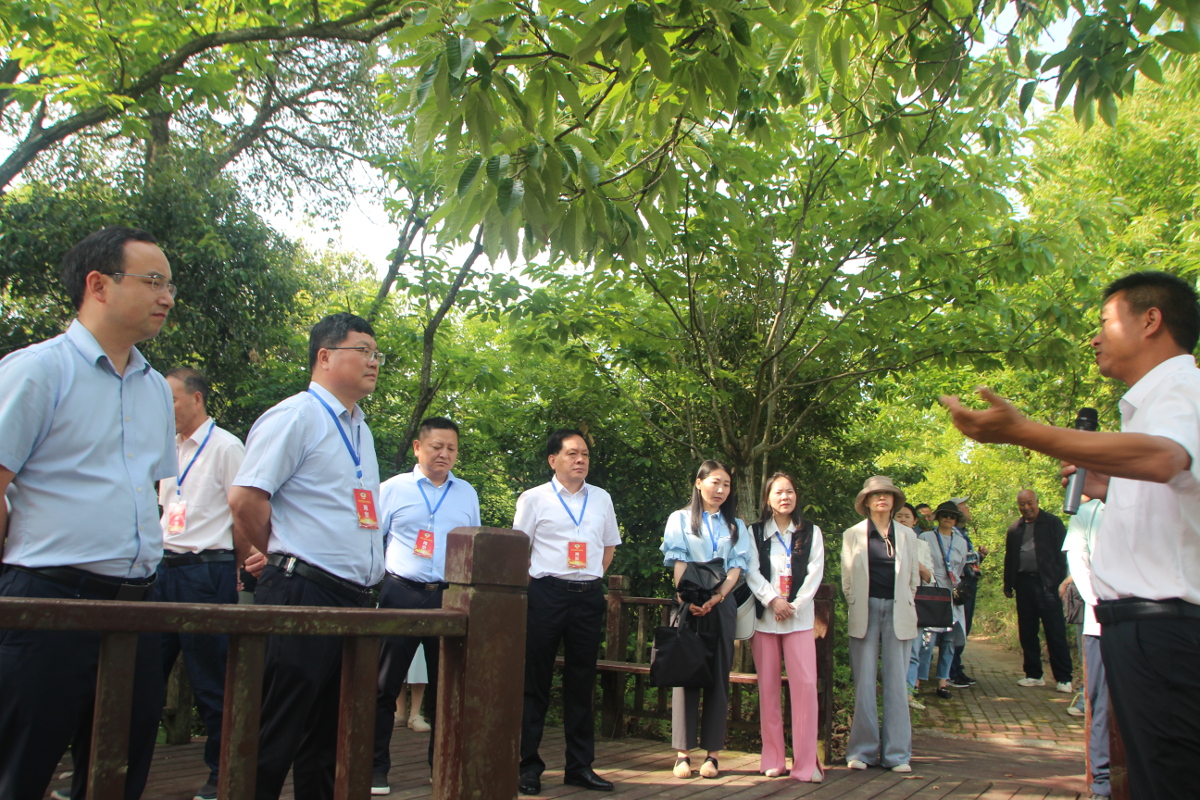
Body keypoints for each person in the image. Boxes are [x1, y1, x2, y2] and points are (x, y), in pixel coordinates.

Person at [942, 270, 1200, 800]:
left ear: (1151, 320)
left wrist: (1025, 431)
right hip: (1139, 626)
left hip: (1165, 626)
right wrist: (1108, 484)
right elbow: (1171, 482)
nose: (1094, 337)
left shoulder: (1181, 388)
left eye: (1105, 320)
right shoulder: (1150, 406)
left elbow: (1167, 456)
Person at [0, 227, 177, 800]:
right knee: (20, 774)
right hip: (47, 604)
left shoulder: (155, 388)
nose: (166, 296)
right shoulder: (37, 370)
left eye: (170, 284)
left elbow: (147, 490)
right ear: (97, 285)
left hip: (137, 608)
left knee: (118, 779)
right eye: (152, 281)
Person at [229, 312, 386, 800]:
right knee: (276, 732)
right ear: (324, 356)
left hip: (354, 600)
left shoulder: (361, 428)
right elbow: (245, 498)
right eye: (363, 350)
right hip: (304, 591)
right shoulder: (296, 415)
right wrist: (282, 551)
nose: (374, 362)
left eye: (377, 354)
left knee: (327, 741)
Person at [371, 417, 481, 796]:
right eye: (436, 446)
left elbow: (474, 547)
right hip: (400, 591)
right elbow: (371, 537)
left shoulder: (466, 493)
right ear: (418, 447)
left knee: (447, 685)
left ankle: (442, 765)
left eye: (451, 448)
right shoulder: (392, 489)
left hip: (447, 597)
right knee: (383, 685)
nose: (444, 454)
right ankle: (375, 768)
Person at [154, 367, 246, 800]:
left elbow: (242, 509)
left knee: (212, 680)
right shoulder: (165, 448)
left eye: (170, 398)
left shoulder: (227, 446)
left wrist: (244, 565)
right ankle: (110, 770)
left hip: (207, 569)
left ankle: (221, 773)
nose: (163, 408)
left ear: (197, 399)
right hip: (161, 569)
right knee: (138, 672)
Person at [514, 429, 621, 795]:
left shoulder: (602, 498)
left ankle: (580, 766)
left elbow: (608, 547)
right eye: (573, 453)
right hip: (546, 593)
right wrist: (543, 588)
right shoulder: (534, 498)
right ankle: (527, 766)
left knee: (581, 682)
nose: (581, 460)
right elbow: (518, 549)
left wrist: (589, 577)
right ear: (553, 459)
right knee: (535, 682)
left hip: (587, 597)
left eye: (586, 454)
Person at [660, 460, 751, 781]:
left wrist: (717, 598)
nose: (721, 490)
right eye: (715, 482)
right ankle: (683, 754)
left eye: (726, 484)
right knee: (685, 671)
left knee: (718, 674)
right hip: (688, 600)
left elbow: (737, 568)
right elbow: (678, 560)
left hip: (722, 604)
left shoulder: (737, 525)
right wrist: (687, 598)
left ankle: (713, 754)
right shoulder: (680, 519)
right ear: (699, 483)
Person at [744, 471, 825, 782]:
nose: (785, 497)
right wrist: (772, 600)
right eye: (778, 492)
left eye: (789, 491)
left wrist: (794, 605)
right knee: (768, 689)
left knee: (804, 688)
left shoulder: (811, 532)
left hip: (800, 621)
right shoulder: (755, 533)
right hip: (766, 620)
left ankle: (806, 764)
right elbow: (750, 569)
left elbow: (815, 573)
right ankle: (773, 758)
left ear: (796, 496)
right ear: (768, 499)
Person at [841, 475, 922, 773]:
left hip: (898, 611)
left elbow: (913, 578)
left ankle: (897, 755)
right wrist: (860, 603)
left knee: (897, 684)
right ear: (866, 501)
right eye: (875, 495)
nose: (881, 499)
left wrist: (902, 601)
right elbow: (847, 581)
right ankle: (861, 752)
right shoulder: (853, 534)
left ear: (893, 500)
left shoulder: (908, 535)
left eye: (887, 494)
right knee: (863, 682)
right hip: (865, 610)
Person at [1060, 498, 1110, 799]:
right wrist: (1103, 602)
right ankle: (1102, 784)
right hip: (1101, 624)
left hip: (1159, 622)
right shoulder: (1087, 514)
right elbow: (1078, 561)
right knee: (1101, 704)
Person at [1003, 489, 1072, 692]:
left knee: (1055, 631)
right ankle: (1033, 674)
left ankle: (1064, 677)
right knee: (1027, 631)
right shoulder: (1015, 528)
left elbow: (1063, 555)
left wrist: (1062, 581)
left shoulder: (1052, 523)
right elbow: (1010, 558)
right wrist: (1008, 584)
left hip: (1048, 585)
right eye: (1022, 504)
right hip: (1024, 583)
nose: (1026, 508)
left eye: (1030, 503)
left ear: (1037, 502)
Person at [915, 502, 969, 701]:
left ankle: (943, 681)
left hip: (952, 592)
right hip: (931, 591)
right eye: (945, 515)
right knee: (927, 640)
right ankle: (919, 679)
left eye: (952, 516)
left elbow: (962, 566)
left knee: (950, 640)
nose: (948, 519)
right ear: (938, 517)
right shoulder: (926, 537)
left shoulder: (961, 542)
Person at [897, 504, 933, 710]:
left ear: (915, 521)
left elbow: (930, 577)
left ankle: (908, 694)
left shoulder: (922, 545)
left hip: (916, 602)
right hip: (893, 602)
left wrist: (914, 562)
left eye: (907, 516)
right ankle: (893, 693)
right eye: (899, 516)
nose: (903, 519)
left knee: (914, 649)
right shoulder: (886, 541)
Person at [946, 496, 985, 687]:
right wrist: (979, 555)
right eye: (964, 506)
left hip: (968, 585)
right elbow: (957, 557)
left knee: (963, 628)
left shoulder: (963, 533)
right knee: (957, 628)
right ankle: (952, 672)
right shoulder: (952, 533)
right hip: (959, 587)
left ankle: (956, 668)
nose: (967, 509)